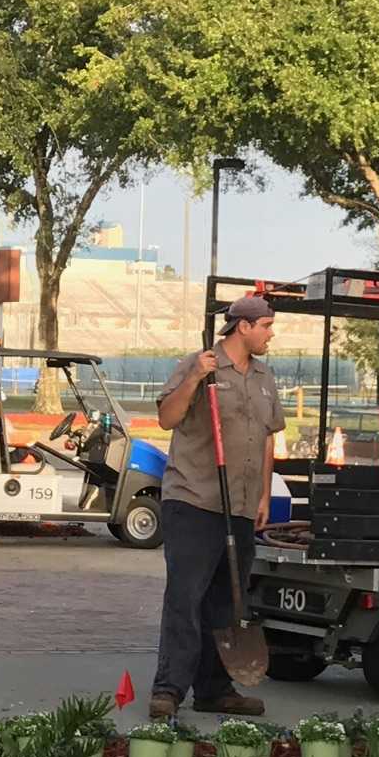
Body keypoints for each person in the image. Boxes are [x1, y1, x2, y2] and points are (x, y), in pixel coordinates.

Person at [148, 294, 281, 721]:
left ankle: (214, 689)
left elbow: (267, 437)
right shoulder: (199, 364)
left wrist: (262, 495)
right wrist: (195, 380)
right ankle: (169, 689)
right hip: (194, 500)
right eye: (266, 326)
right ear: (243, 326)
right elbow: (167, 418)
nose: (270, 334)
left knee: (227, 602)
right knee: (186, 598)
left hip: (240, 505)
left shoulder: (264, 377)